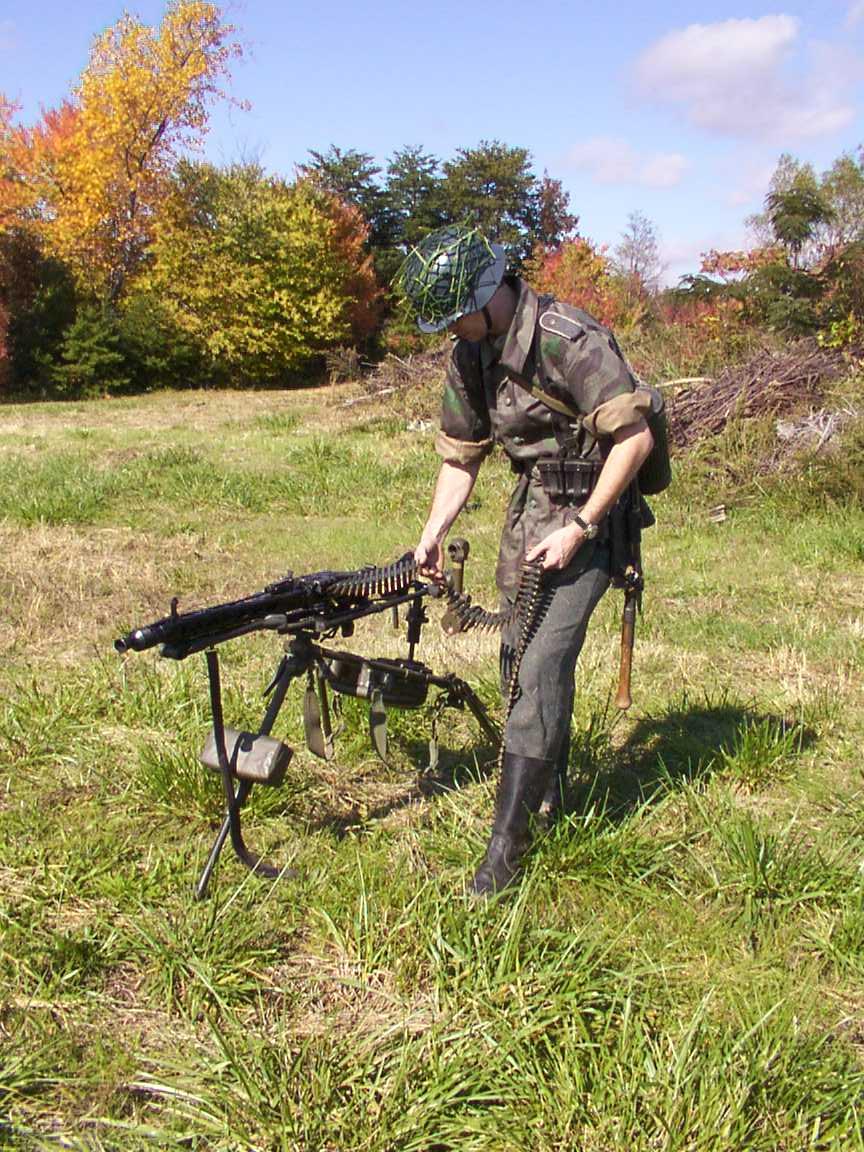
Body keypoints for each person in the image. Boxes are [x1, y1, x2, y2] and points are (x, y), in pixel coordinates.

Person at [398, 225, 655, 896]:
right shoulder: (469, 355)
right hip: (528, 517)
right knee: (516, 657)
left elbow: (634, 437)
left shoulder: (569, 340)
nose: (452, 329)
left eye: (456, 313)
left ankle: (505, 849)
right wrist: (432, 531)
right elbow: (461, 455)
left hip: (594, 516)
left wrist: (583, 524)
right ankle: (548, 791)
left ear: (489, 294)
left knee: (541, 665)